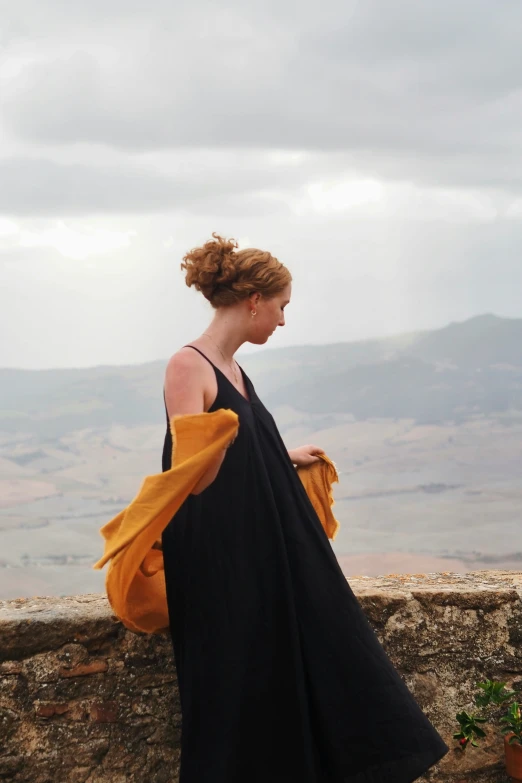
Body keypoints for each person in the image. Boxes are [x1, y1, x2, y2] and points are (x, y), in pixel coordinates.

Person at [161, 233, 449, 783]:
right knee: (234, 688)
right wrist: (219, 446)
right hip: (220, 562)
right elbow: (191, 479)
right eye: (282, 307)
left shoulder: (234, 370)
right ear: (253, 301)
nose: (283, 321)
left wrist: (280, 454)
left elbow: (235, 443)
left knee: (297, 665)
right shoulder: (187, 366)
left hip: (257, 550)